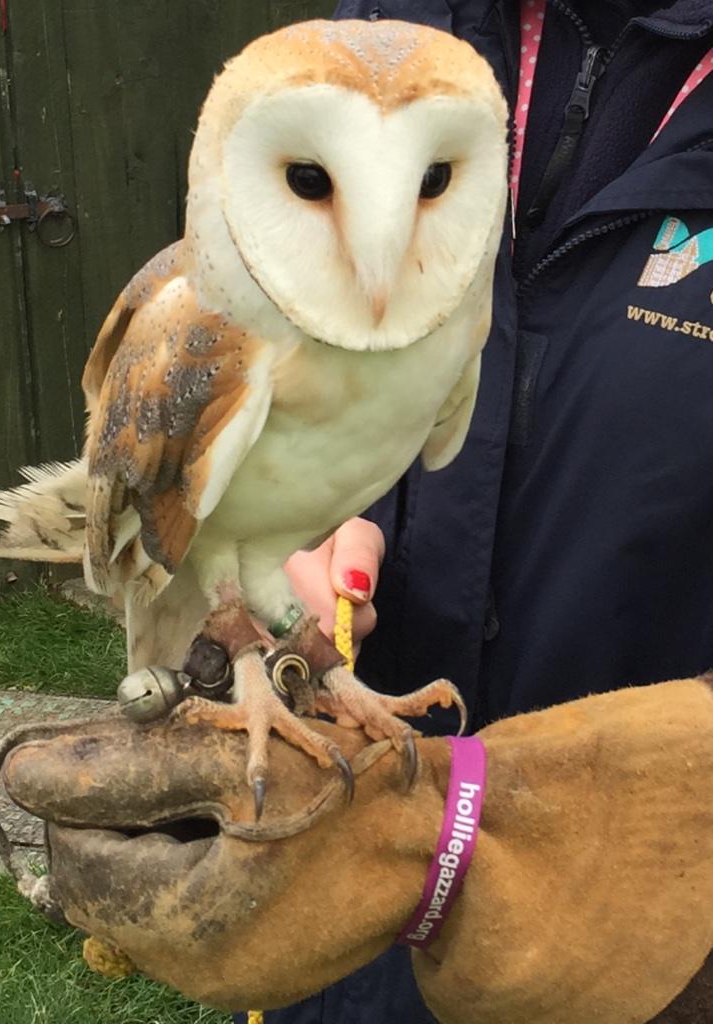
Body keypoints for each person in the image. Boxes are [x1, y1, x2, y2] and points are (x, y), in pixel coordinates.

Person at [235, 0, 713, 1020]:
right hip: (352, 856)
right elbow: (256, 368)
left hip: (649, 905)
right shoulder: (364, 45)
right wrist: (267, 550)